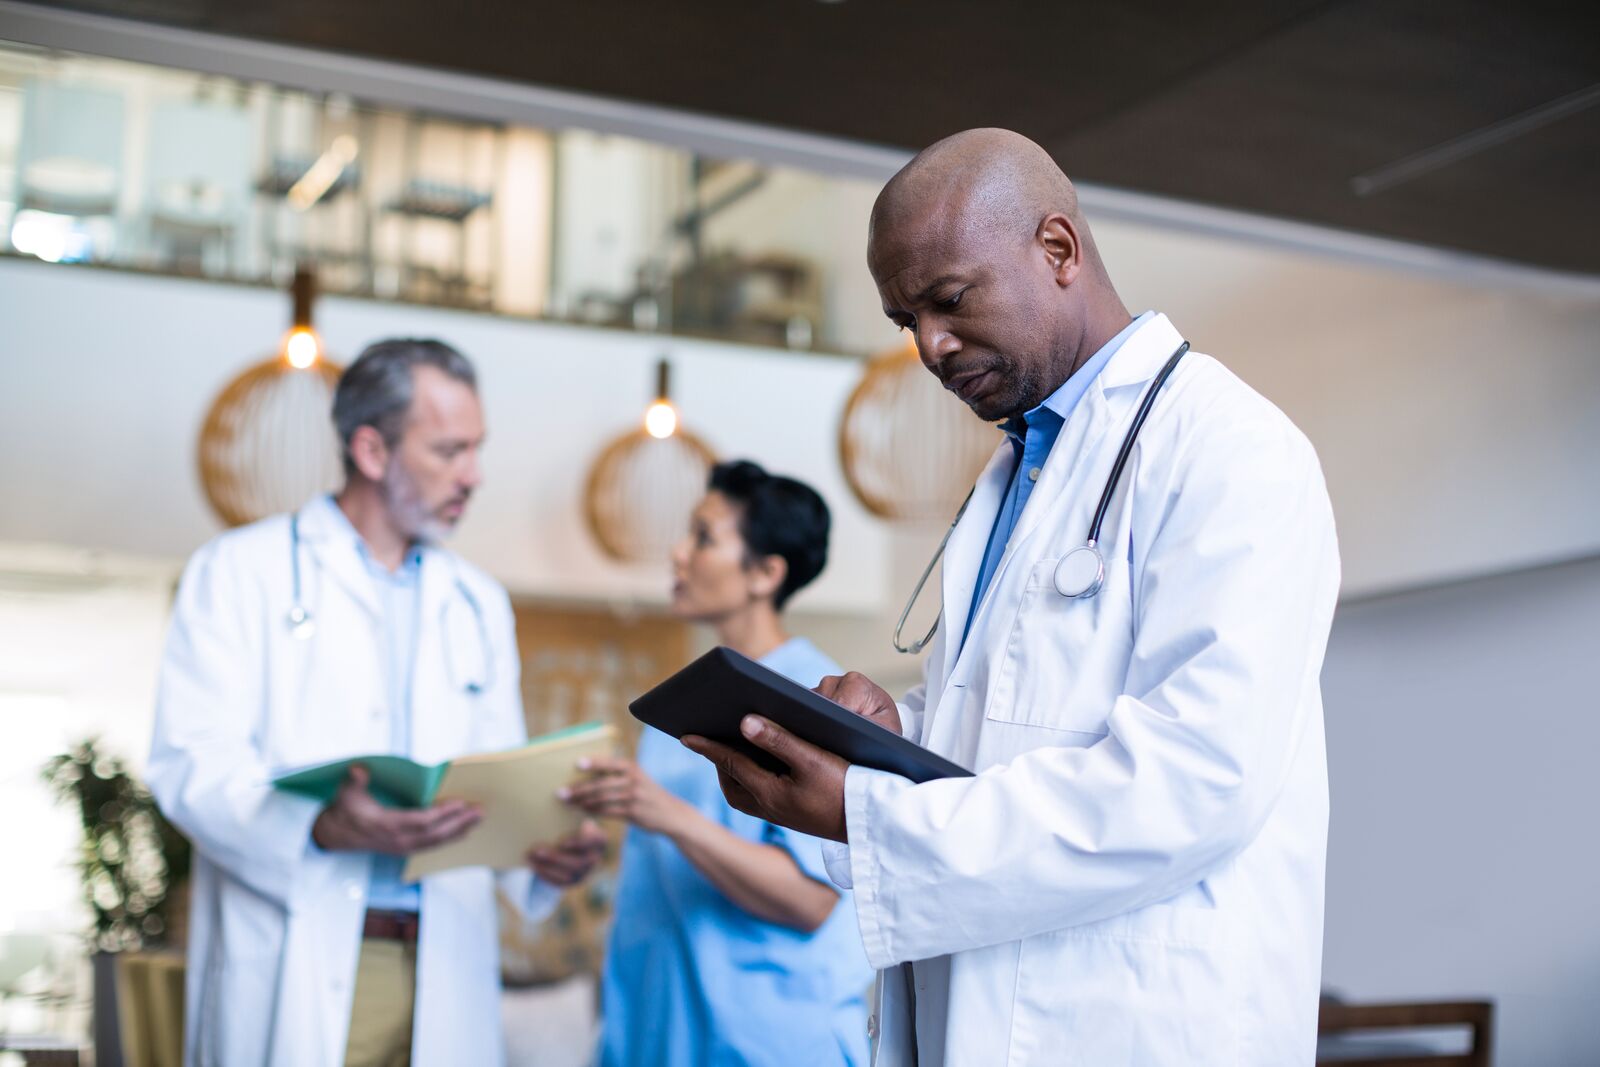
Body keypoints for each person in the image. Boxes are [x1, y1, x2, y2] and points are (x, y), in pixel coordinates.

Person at [684, 129, 1342, 1065]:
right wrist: (894, 738)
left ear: (1058, 249)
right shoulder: (1022, 469)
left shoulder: (1231, 448)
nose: (930, 345)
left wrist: (869, 812)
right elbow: (1009, 730)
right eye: (905, 319)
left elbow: (1197, 782)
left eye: (949, 300)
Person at [148, 339, 606, 1066]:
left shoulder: (477, 602)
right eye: (449, 451)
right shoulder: (239, 571)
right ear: (370, 450)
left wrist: (545, 854)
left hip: (443, 964)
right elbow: (190, 765)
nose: (474, 475)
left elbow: (497, 778)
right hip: (302, 948)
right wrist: (321, 827)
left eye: (477, 449)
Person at [560, 460, 872, 1066]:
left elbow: (811, 900)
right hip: (654, 1035)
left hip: (767, 1044)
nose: (678, 554)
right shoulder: (680, 703)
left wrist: (666, 815)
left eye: (703, 538)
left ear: (765, 573)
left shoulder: (818, 696)